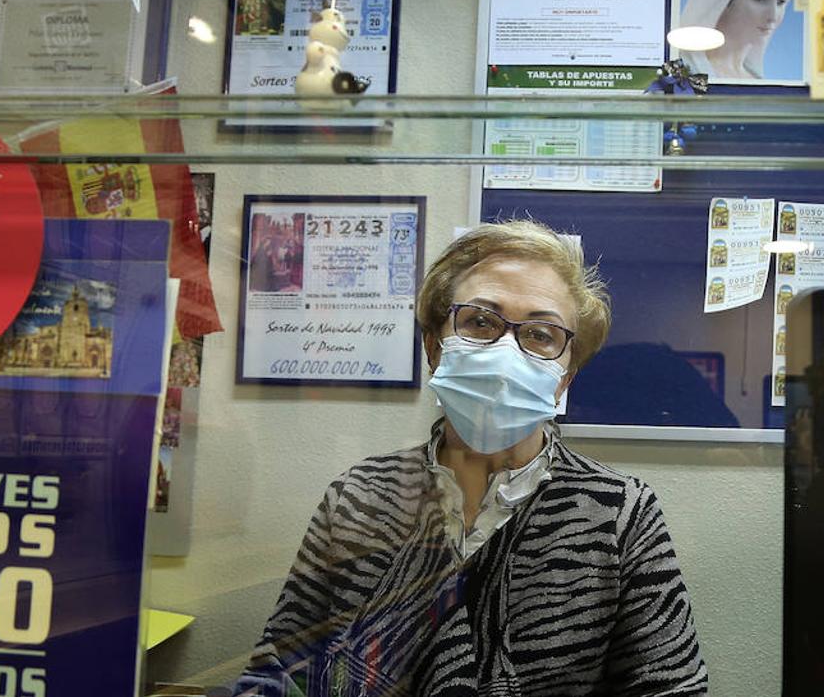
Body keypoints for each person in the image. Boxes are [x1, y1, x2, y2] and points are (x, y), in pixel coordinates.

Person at [238, 221, 707, 696]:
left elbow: (671, 688)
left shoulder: (620, 512)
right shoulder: (357, 497)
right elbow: (278, 673)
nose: (506, 353)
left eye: (541, 334)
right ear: (434, 346)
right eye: (481, 322)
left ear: (564, 378)